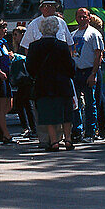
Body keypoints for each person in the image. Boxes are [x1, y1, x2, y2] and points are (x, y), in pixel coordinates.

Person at [25, 16, 76, 150]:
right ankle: (68, 140)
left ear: (41, 30)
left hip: (43, 85)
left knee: (48, 114)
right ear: (56, 29)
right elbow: (71, 66)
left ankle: (54, 141)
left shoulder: (34, 46)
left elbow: (29, 66)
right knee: (65, 113)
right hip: (62, 84)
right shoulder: (62, 46)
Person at [71, 7, 105, 143]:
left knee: (91, 103)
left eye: (84, 16)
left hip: (89, 70)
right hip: (76, 72)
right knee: (76, 103)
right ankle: (77, 130)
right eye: (79, 17)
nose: (82, 19)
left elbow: (99, 54)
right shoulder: (73, 34)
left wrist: (93, 74)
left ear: (89, 18)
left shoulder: (94, 34)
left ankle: (90, 132)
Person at [9, 25, 36, 138]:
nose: (14, 37)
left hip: (27, 78)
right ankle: (27, 127)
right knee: (21, 103)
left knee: (26, 103)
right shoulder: (16, 47)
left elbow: (28, 58)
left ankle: (32, 128)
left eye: (16, 34)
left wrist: (15, 56)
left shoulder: (26, 46)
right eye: (13, 35)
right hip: (19, 79)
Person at [0, 19, 14, 145]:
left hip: (8, 76)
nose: (4, 30)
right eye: (1, 28)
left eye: (4, 28)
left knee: (8, 105)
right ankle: (6, 134)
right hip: (0, 77)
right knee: (0, 108)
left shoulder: (4, 42)